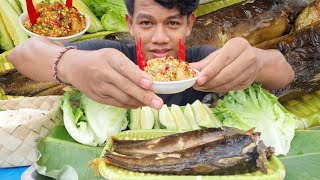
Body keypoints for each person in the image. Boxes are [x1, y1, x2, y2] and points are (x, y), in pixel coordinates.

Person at [8, 0, 294, 110]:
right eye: (146, 23)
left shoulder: (204, 59)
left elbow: (283, 71)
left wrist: (256, 62)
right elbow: (23, 54)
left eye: (172, 23)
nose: (159, 37)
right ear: (130, 24)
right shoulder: (109, 55)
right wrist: (70, 62)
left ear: (189, 24)